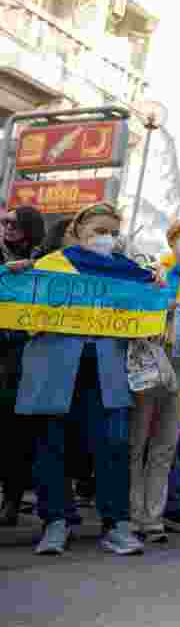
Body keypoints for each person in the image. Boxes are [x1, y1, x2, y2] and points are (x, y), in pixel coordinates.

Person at [18, 203, 156, 556]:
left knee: (113, 446)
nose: (105, 238)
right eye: (98, 230)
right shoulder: (49, 267)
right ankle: (55, 522)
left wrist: (159, 291)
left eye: (111, 231)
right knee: (52, 445)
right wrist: (13, 275)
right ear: (79, 231)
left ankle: (117, 525)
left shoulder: (130, 273)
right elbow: (22, 306)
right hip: (56, 368)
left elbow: (150, 308)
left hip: (106, 371)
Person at [128, 220, 180, 543]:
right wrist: (166, 307)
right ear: (172, 239)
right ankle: (133, 515)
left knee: (165, 445)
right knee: (138, 441)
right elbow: (137, 308)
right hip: (151, 359)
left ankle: (153, 517)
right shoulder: (155, 271)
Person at [0, 206, 46, 526]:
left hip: (28, 357)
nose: (8, 227)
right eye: (4, 222)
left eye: (15, 223)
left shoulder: (46, 262)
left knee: (17, 433)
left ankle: (12, 500)